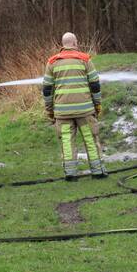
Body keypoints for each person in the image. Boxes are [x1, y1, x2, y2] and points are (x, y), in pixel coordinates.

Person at [43, 32, 106, 180]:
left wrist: (49, 110)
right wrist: (97, 105)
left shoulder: (52, 62)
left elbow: (47, 90)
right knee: (90, 139)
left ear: (63, 45)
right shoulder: (85, 59)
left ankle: (71, 174)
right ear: (75, 43)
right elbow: (95, 85)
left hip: (62, 113)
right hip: (84, 111)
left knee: (66, 141)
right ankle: (97, 172)